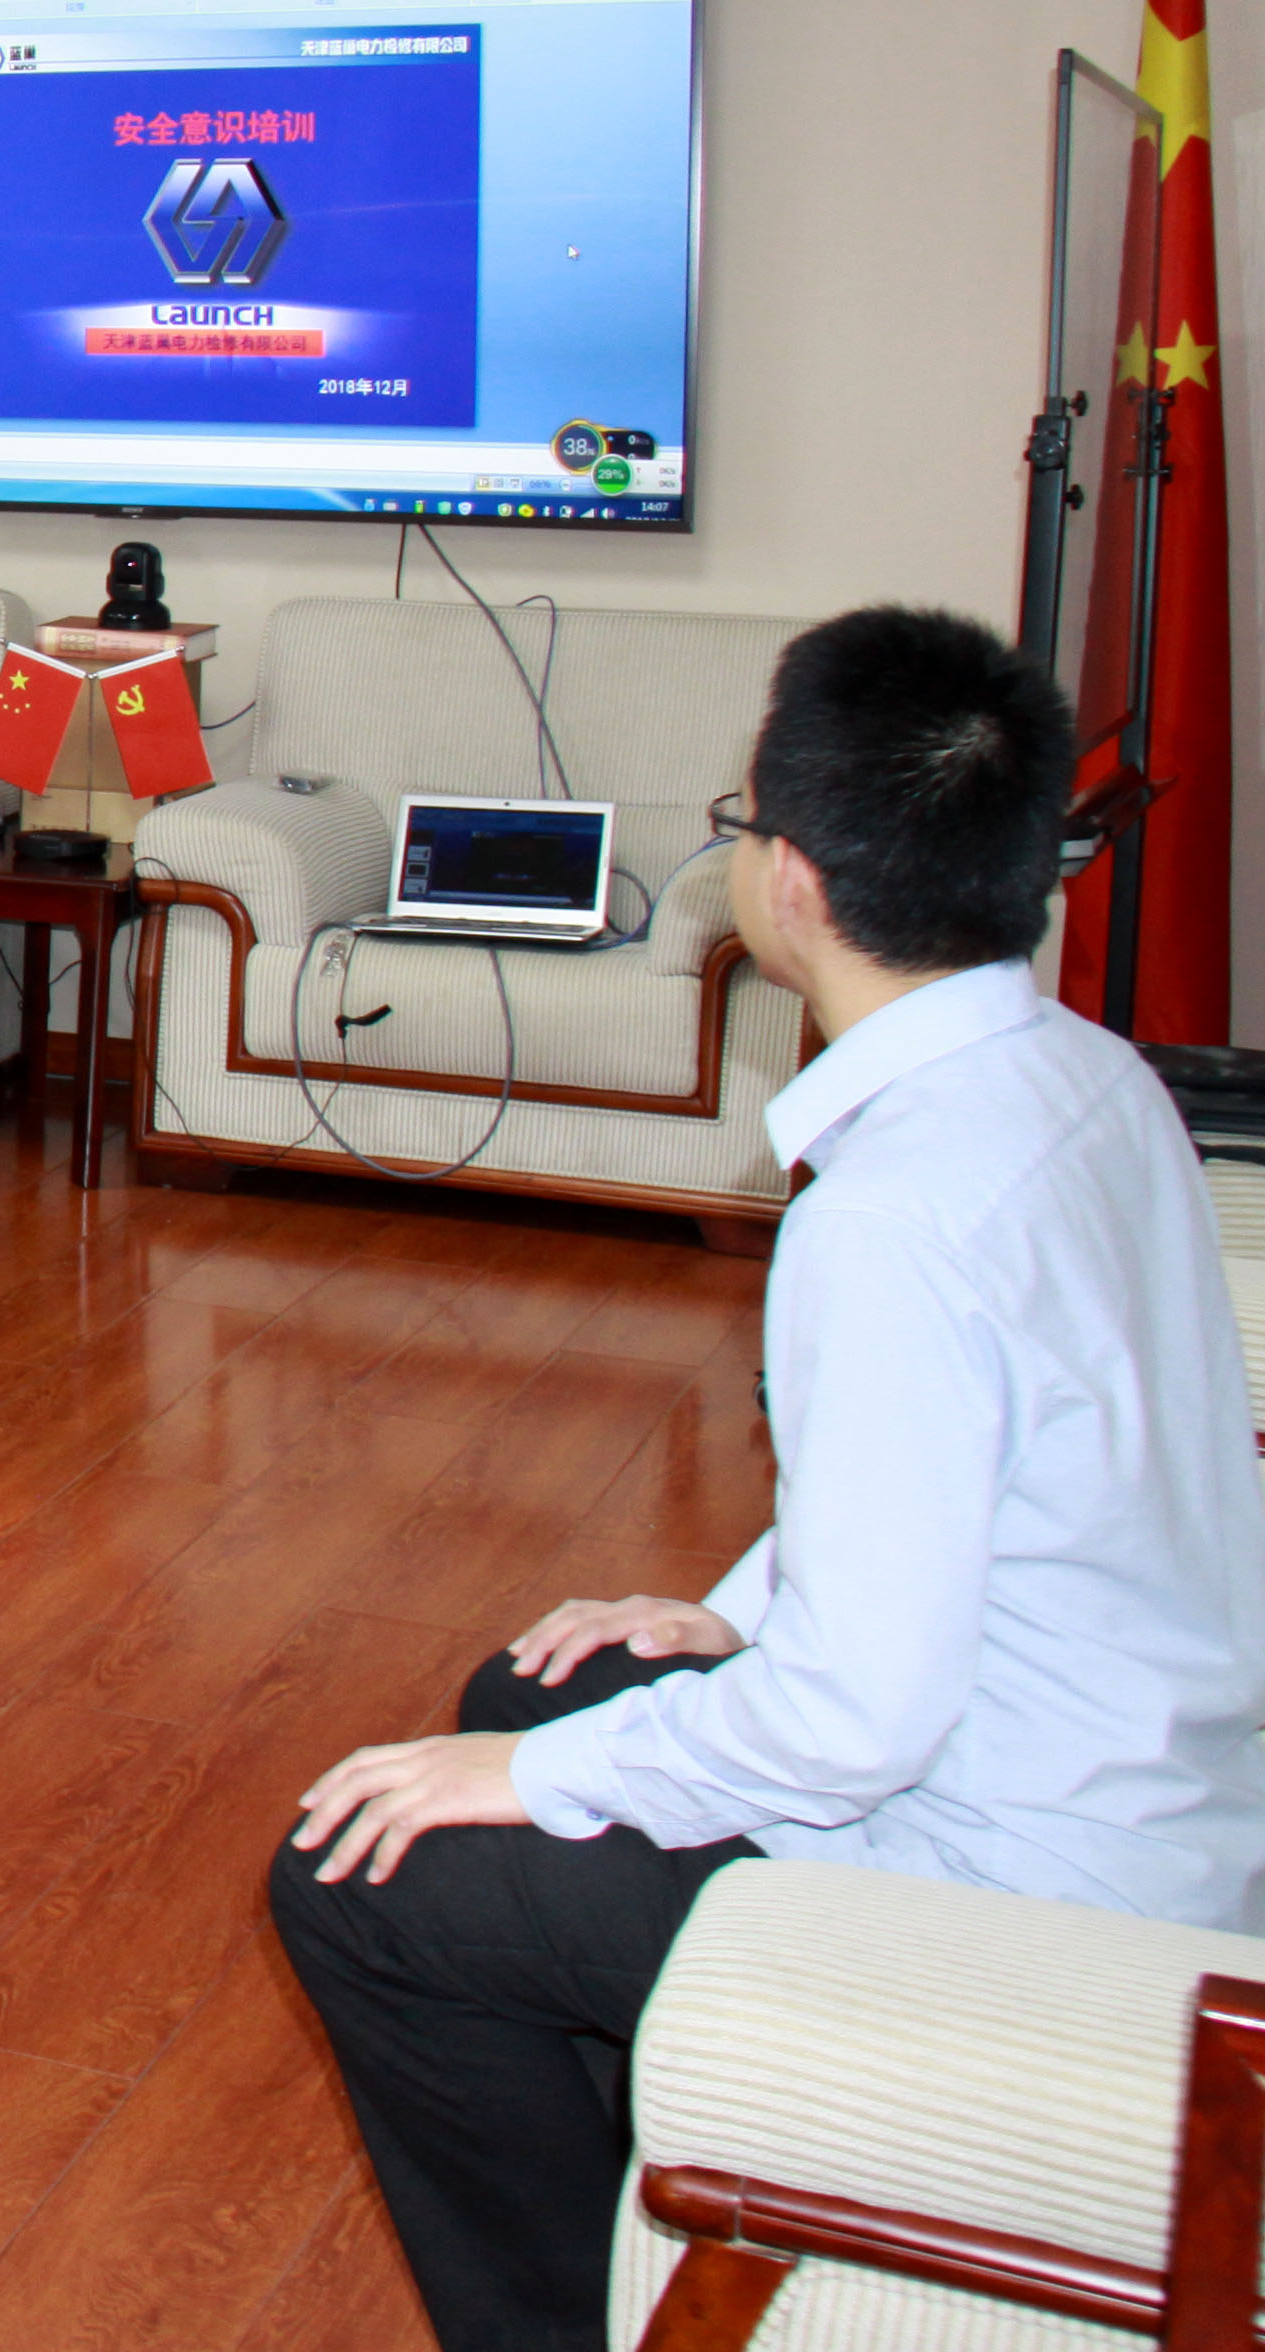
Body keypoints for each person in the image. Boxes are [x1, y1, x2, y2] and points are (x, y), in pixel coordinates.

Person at [266, 603, 1265, 2352]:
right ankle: (679, 2157)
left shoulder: (891, 1222)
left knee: (356, 1878)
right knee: (538, 1685)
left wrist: (543, 1780)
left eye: (739, 820)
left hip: (1020, 1891)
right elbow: (988, 1480)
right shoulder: (1090, 1082)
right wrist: (717, 1619)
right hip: (1146, 1784)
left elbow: (857, 1725)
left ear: (789, 879)